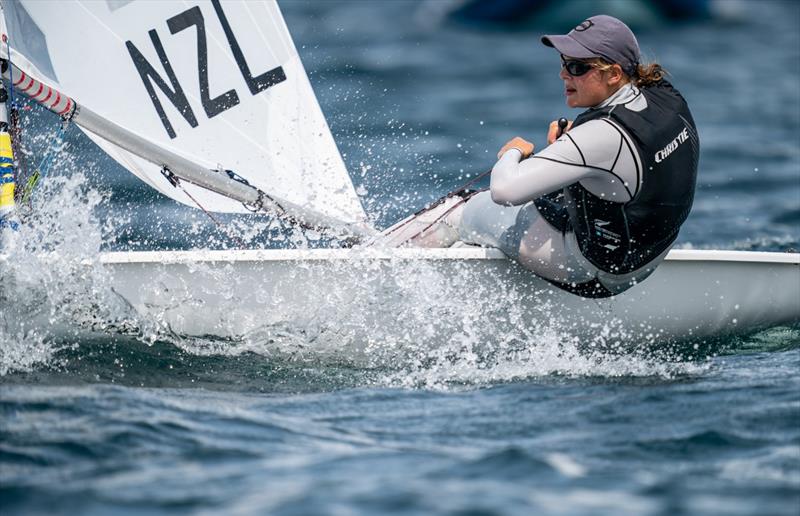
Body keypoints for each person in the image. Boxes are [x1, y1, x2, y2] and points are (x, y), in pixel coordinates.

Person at [380, 14, 699, 298]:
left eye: (577, 67)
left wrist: (513, 152)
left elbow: (505, 191)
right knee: (554, 193)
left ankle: (373, 261)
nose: (563, 75)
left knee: (464, 206)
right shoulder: (664, 95)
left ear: (614, 74)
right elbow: (636, 156)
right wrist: (578, 145)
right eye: (563, 62)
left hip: (597, 274)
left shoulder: (599, 136)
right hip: (649, 255)